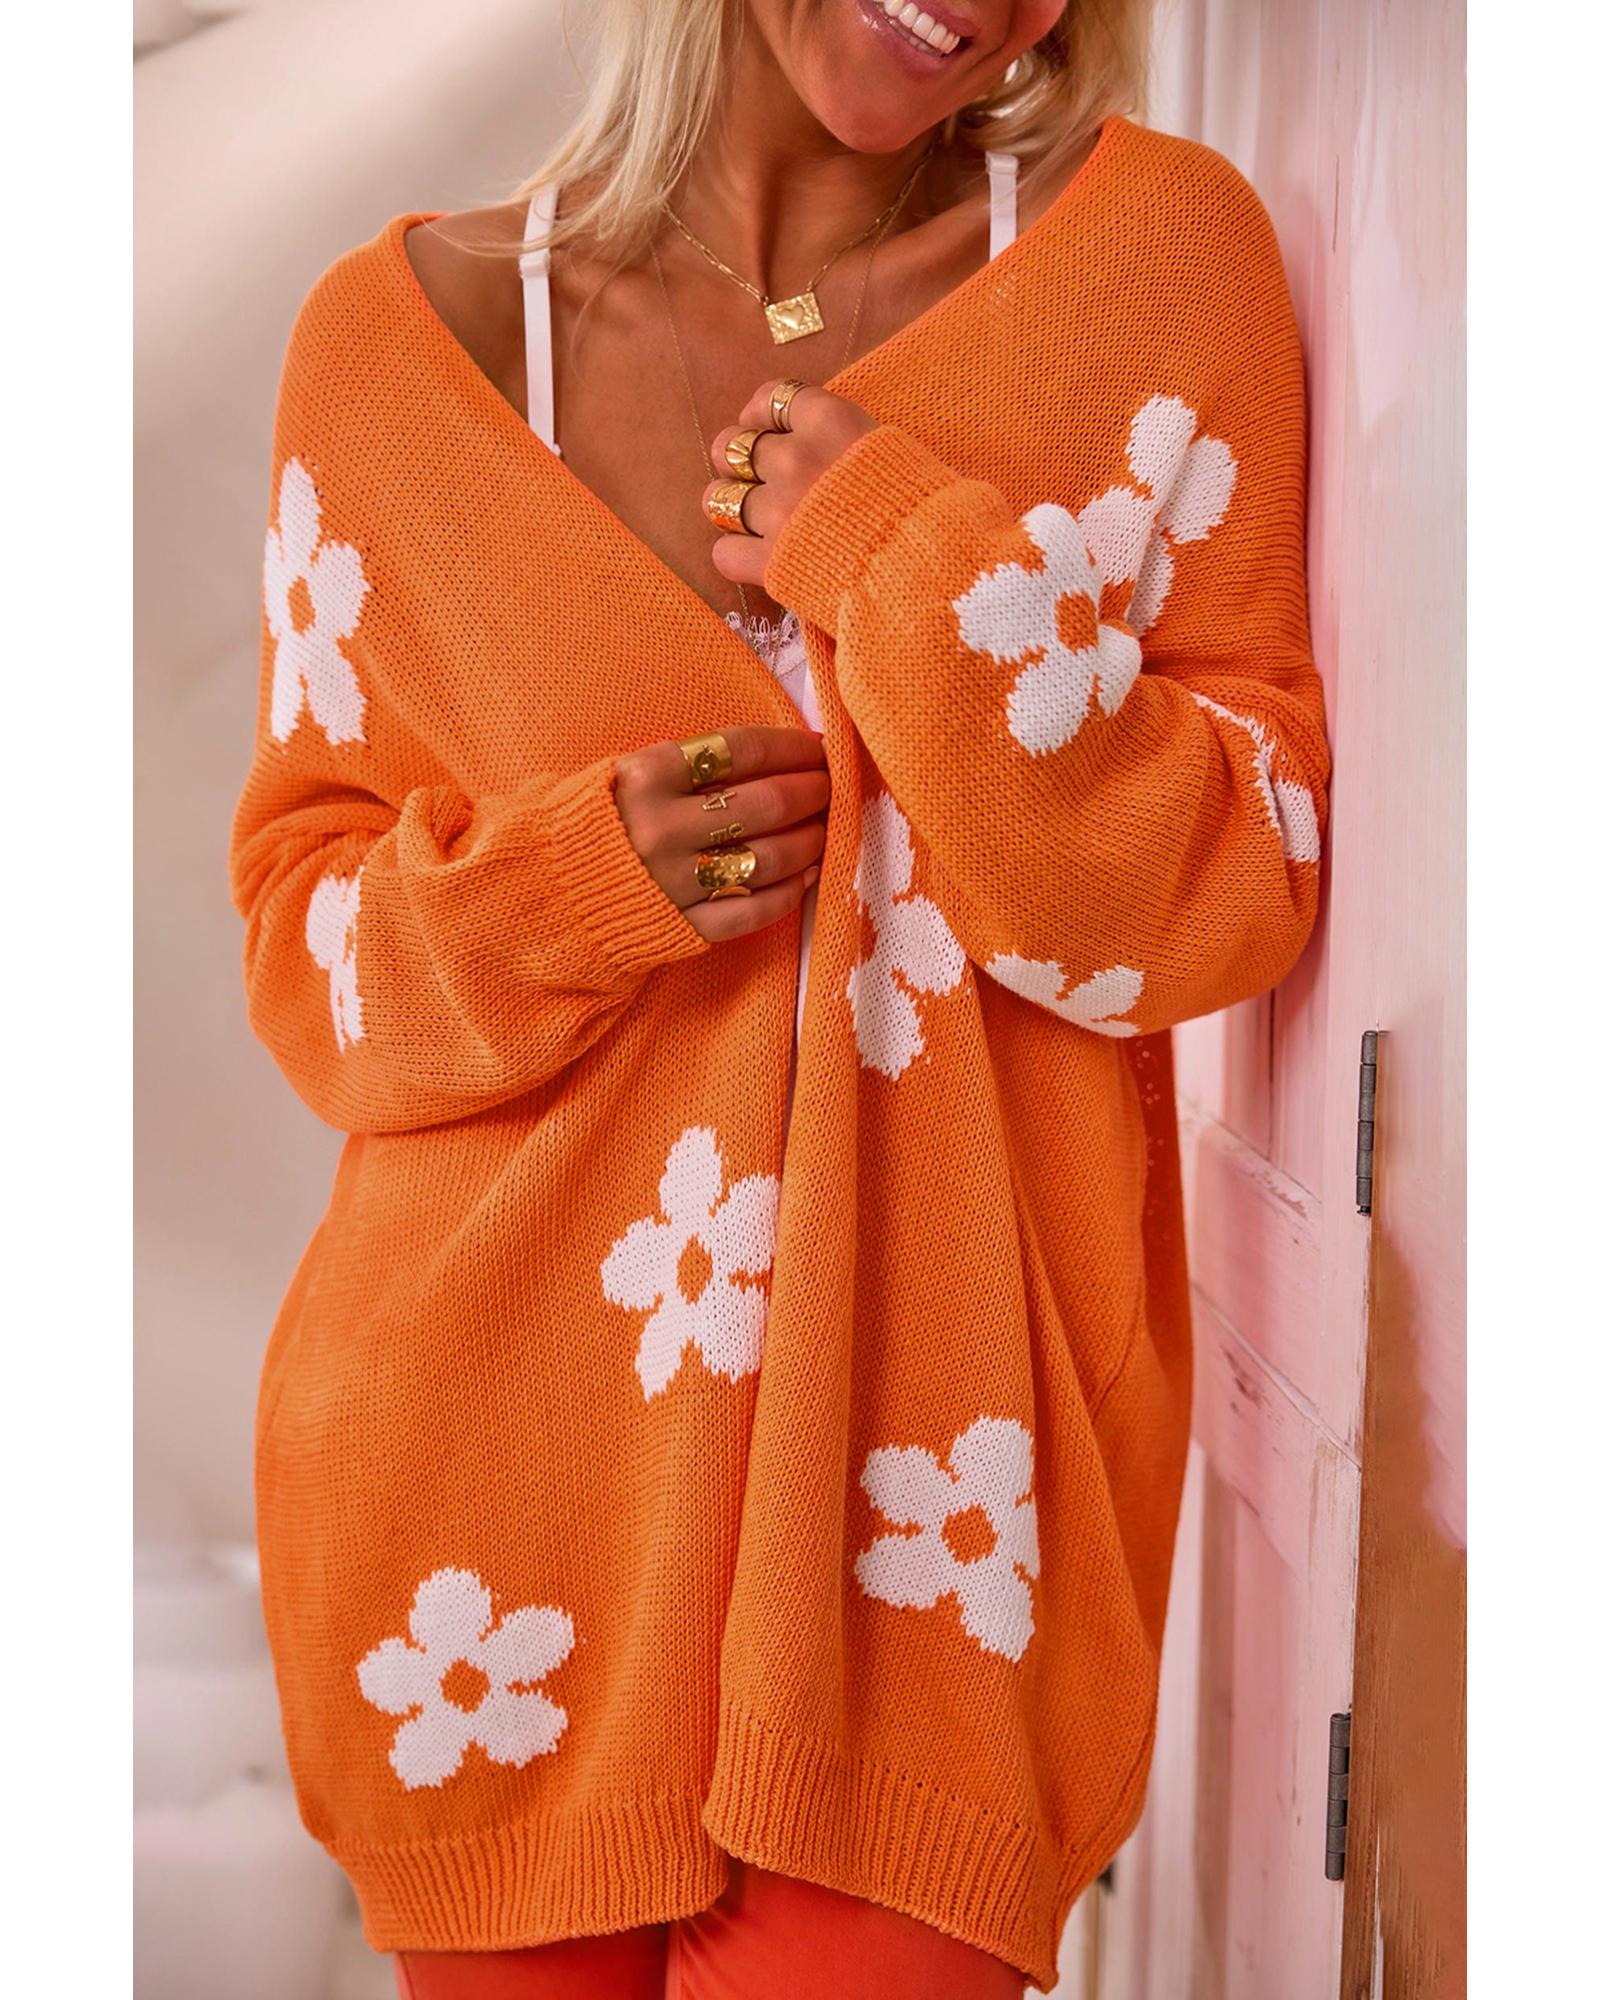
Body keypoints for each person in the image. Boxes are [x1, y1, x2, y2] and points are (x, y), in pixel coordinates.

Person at [228, 2, 1329, 1993]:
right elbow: (310, 957)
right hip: (478, 1536)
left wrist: (898, 554)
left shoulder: (1154, 265)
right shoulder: (398, 347)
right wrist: (575, 887)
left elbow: (1229, 889)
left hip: (937, 1539)